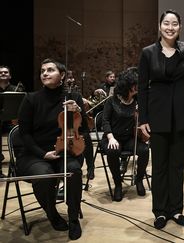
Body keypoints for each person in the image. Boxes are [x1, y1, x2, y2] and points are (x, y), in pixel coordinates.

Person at [16, 58, 86, 240]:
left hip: (65, 151)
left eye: (50, 70)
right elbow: (24, 134)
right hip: (34, 154)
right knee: (44, 176)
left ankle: (73, 220)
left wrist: (78, 112)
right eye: (42, 71)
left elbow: (84, 129)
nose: (45, 73)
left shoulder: (73, 98)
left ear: (62, 75)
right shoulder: (31, 99)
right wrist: (42, 154)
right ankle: (52, 214)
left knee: (74, 170)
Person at [137, 9, 184, 230]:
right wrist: (143, 119)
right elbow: (142, 88)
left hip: (182, 116)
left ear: (180, 27)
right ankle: (160, 212)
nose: (170, 27)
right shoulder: (148, 53)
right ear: (160, 26)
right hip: (157, 116)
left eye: (175, 24)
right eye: (167, 23)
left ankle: (176, 209)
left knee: (177, 166)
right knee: (159, 166)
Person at [100, 67, 149, 202]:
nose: (138, 87)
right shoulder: (112, 100)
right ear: (128, 85)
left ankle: (139, 180)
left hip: (129, 138)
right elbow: (105, 121)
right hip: (112, 137)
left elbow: (146, 120)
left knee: (144, 150)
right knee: (113, 150)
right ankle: (117, 184)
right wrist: (110, 137)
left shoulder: (139, 101)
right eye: (135, 84)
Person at [0, 65, 25, 178]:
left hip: (11, 122)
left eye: (5, 72)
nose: (3, 74)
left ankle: (19, 168)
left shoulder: (17, 89)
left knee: (21, 133)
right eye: (1, 72)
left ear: (10, 75)